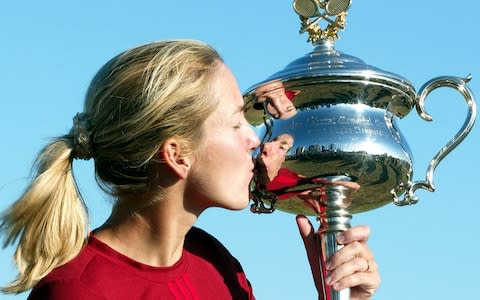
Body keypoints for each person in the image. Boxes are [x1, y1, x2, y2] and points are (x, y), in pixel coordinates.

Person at [0, 40, 380, 299]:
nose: (254, 140)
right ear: (177, 154)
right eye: (236, 124)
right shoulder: (79, 291)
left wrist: (337, 293)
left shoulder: (215, 262)